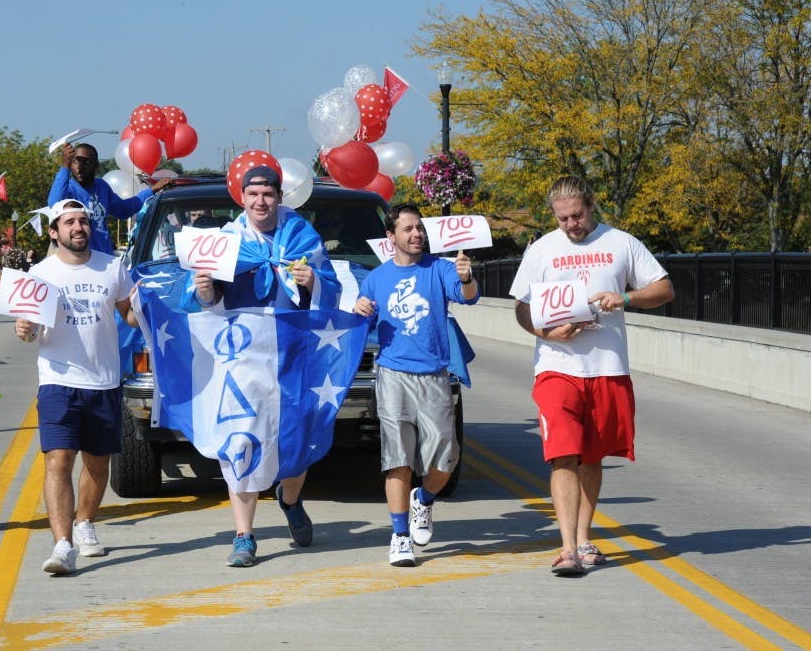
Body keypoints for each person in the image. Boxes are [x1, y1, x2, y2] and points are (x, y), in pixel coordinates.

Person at [509, 176, 674, 575]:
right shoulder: (542, 250)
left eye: (577, 216)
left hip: (608, 368)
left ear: (591, 206)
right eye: (563, 218)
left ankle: (584, 538)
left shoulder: (622, 243)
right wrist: (544, 332)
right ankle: (567, 548)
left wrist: (627, 297)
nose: (571, 225)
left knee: (593, 456)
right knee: (561, 454)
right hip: (556, 367)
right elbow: (521, 307)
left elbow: (665, 288)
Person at [192, 165, 340, 567]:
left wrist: (313, 282)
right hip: (241, 357)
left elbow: (331, 291)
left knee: (294, 445)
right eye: (253, 194)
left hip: (292, 357)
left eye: (268, 195)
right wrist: (205, 290)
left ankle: (290, 500)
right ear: (242, 197)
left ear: (279, 197)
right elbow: (205, 302)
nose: (261, 202)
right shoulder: (226, 241)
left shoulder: (302, 237)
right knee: (240, 442)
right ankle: (244, 536)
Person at [14, 199, 139, 575]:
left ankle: (85, 522)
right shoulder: (40, 272)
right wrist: (25, 329)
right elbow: (30, 326)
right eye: (69, 223)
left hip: (102, 381)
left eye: (83, 221)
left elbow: (130, 315)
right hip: (57, 380)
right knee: (59, 461)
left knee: (98, 464)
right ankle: (62, 544)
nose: (78, 228)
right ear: (55, 232)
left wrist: (150, 311)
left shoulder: (113, 267)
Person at [352, 204, 479, 567]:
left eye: (419, 228)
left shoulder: (440, 269)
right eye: (407, 229)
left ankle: (422, 499)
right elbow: (362, 322)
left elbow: (467, 296)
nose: (416, 234)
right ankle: (400, 536)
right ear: (391, 237)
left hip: (434, 375)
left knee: (446, 456)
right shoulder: (376, 278)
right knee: (397, 457)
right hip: (392, 374)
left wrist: (467, 277)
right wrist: (360, 309)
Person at [47, 142, 172, 254]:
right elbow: (54, 203)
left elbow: (123, 210)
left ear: (96, 164)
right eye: (75, 161)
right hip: (78, 260)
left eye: (86, 162)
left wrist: (152, 190)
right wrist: (65, 167)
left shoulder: (102, 186)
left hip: (103, 258)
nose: (80, 167)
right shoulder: (68, 188)